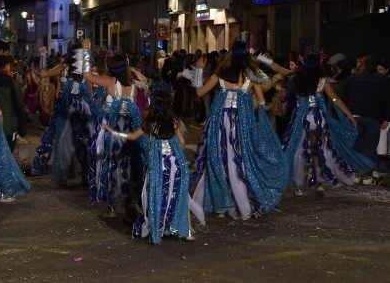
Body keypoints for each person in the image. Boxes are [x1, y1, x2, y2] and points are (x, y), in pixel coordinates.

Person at [188, 35, 285, 223]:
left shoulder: (221, 72)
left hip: (220, 121)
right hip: (242, 122)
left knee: (218, 159)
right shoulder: (252, 74)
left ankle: (220, 205)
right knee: (241, 160)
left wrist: (199, 71)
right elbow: (263, 102)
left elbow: (199, 92)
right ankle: (241, 203)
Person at [102, 82, 200, 244]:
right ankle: (185, 230)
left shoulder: (150, 123)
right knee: (179, 196)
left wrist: (113, 132)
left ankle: (158, 229)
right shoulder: (174, 122)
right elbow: (181, 144)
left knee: (154, 196)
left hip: (158, 166)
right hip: (175, 164)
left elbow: (133, 136)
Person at [281, 48, 373, 196]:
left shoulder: (296, 78)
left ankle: (297, 185)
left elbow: (288, 91)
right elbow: (335, 99)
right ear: (319, 63)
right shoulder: (323, 81)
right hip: (317, 118)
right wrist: (350, 116)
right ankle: (319, 183)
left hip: (301, 118)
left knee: (297, 151)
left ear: (303, 61)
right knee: (319, 150)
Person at [77, 39, 144, 217]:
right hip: (128, 128)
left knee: (110, 163)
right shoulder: (134, 86)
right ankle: (129, 200)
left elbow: (85, 75)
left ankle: (113, 205)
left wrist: (85, 51)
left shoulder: (109, 82)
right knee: (128, 165)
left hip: (111, 129)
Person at [31, 44, 95, 184]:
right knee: (83, 140)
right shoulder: (85, 70)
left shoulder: (63, 68)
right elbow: (89, 93)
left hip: (66, 108)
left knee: (64, 141)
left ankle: (67, 173)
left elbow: (42, 74)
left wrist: (42, 56)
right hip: (81, 108)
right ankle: (84, 173)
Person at [0, 55, 28, 153]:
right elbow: (19, 106)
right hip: (9, 126)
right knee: (8, 154)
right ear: (7, 66)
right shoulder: (12, 82)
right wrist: (22, 129)